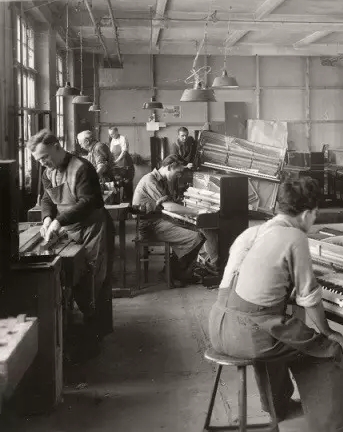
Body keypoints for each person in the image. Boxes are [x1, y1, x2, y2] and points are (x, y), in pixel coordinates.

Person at [208, 177, 343, 432]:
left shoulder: (251, 233)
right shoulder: (295, 236)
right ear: (306, 214)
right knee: (328, 349)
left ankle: (278, 407)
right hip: (250, 334)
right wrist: (327, 331)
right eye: (315, 215)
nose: (313, 221)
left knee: (286, 332)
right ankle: (338, 428)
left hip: (219, 327)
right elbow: (309, 298)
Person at [27, 129, 115, 358]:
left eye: (45, 157)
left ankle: (96, 338)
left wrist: (59, 221)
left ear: (57, 146)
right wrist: (47, 218)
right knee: (77, 279)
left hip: (94, 229)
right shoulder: (48, 172)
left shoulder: (82, 168)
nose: (43, 163)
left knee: (96, 280)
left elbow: (89, 201)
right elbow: (47, 198)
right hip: (71, 229)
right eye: (39, 160)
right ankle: (83, 331)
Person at [132, 154, 219, 286]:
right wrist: (196, 212)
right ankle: (176, 273)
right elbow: (168, 206)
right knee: (195, 237)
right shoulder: (150, 180)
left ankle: (177, 271)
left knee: (197, 230)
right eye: (178, 172)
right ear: (169, 167)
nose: (179, 176)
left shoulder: (161, 180)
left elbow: (170, 204)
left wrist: (186, 213)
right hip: (149, 226)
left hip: (158, 221)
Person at [108, 127, 135, 202]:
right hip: (117, 166)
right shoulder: (112, 140)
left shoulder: (123, 138)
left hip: (125, 165)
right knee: (117, 184)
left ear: (117, 132)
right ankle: (118, 202)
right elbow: (111, 153)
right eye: (110, 134)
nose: (111, 135)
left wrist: (116, 161)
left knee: (127, 185)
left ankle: (128, 203)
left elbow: (124, 152)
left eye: (112, 134)